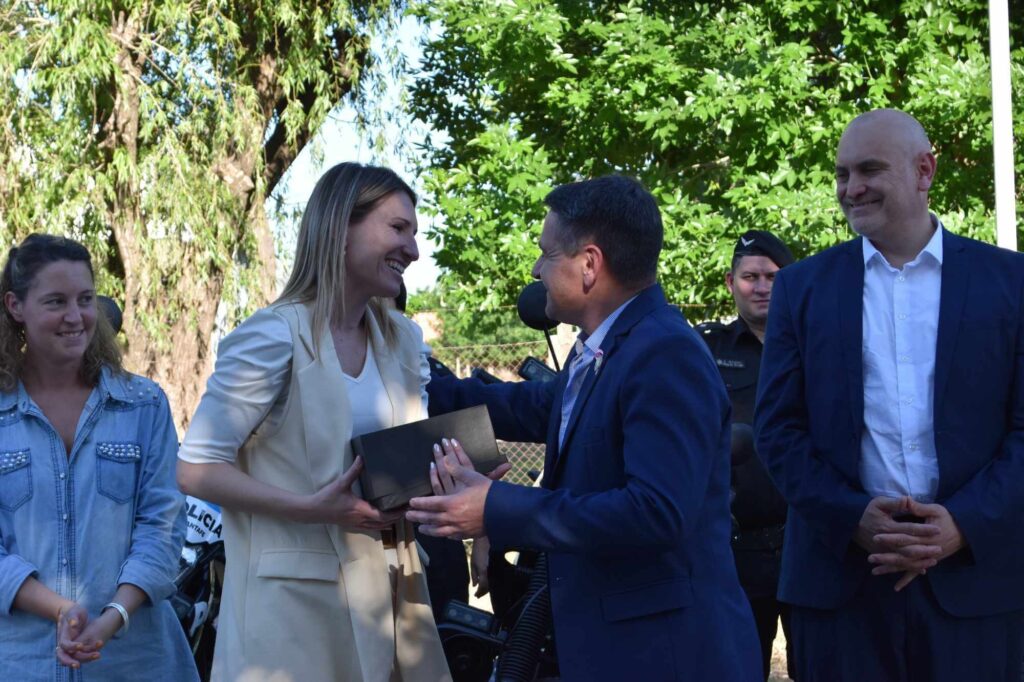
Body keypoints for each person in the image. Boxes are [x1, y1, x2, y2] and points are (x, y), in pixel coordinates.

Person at [407, 175, 760, 681]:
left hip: (666, 655)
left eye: (547, 254)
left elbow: (656, 511)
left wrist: (494, 507)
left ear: (590, 265)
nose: (536, 269)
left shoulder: (665, 353)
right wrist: (415, 376)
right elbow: (526, 406)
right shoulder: (600, 347)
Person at [754, 108, 1024, 681]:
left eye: (869, 170)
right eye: (842, 174)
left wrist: (962, 524)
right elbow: (778, 429)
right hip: (841, 585)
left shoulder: (1010, 282)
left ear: (924, 170)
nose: (851, 189)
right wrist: (853, 517)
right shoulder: (802, 288)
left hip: (976, 585)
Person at [177, 163, 451, 682]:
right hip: (289, 621)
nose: (413, 251)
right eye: (398, 229)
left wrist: (457, 485)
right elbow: (194, 468)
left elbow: (404, 462)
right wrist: (307, 508)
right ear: (340, 227)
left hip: (392, 601)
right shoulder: (272, 337)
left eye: (414, 234)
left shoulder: (403, 340)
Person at [0, 234, 197, 680]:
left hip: (135, 660)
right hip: (20, 663)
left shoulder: (143, 405)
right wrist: (60, 609)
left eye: (85, 299)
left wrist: (113, 617)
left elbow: (163, 527)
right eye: (55, 302)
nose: (75, 317)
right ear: (15, 306)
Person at [696, 229, 795, 680]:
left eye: (773, 276)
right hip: (734, 550)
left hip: (806, 542)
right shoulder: (704, 350)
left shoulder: (814, 346)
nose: (762, 287)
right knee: (737, 670)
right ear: (729, 283)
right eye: (750, 276)